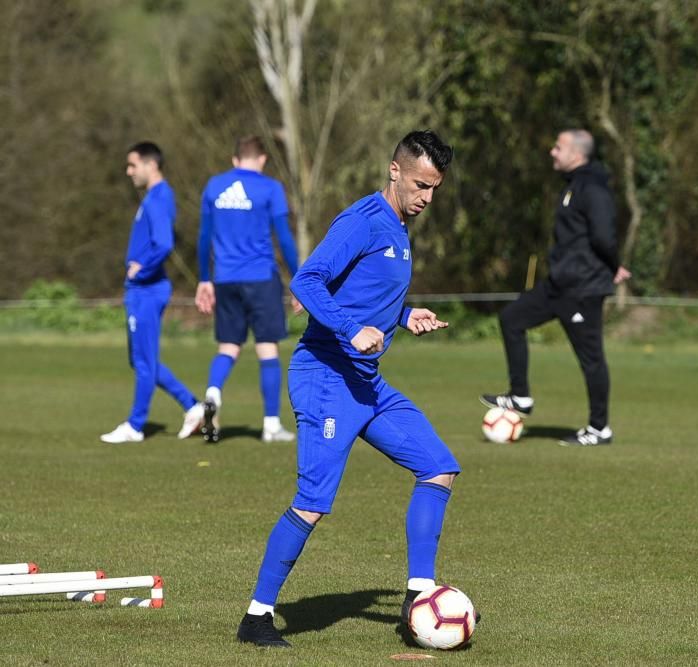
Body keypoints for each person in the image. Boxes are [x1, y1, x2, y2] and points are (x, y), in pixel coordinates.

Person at [236, 130, 459, 647]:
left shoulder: (402, 227)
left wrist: (404, 314)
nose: (427, 197)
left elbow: (362, 294)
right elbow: (308, 281)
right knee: (313, 502)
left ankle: (417, 596)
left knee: (439, 467)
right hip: (325, 378)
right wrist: (350, 329)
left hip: (365, 382)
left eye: (435, 189)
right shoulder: (363, 222)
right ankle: (257, 617)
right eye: (421, 185)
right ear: (395, 171)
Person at [480, 129, 630, 447]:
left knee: (591, 359)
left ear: (576, 154)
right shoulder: (573, 186)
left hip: (582, 289)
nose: (552, 152)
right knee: (511, 319)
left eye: (557, 147)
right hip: (558, 285)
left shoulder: (593, 189)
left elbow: (604, 237)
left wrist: (614, 265)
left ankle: (599, 429)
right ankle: (520, 395)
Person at [195, 136, 300, 444]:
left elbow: (204, 237)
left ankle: (213, 394)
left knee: (228, 346)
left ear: (235, 159)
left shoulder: (214, 187)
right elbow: (284, 238)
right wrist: (298, 279)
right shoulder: (270, 188)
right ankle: (270, 425)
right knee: (266, 347)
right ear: (263, 160)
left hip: (225, 279)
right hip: (260, 278)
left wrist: (204, 278)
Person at [100, 142, 204, 444]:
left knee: (144, 362)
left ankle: (135, 425)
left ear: (150, 165)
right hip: (141, 291)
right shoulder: (154, 198)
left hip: (147, 290)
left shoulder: (158, 198)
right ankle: (193, 406)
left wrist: (140, 270)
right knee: (141, 360)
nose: (128, 171)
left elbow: (164, 243)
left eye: (133, 165)